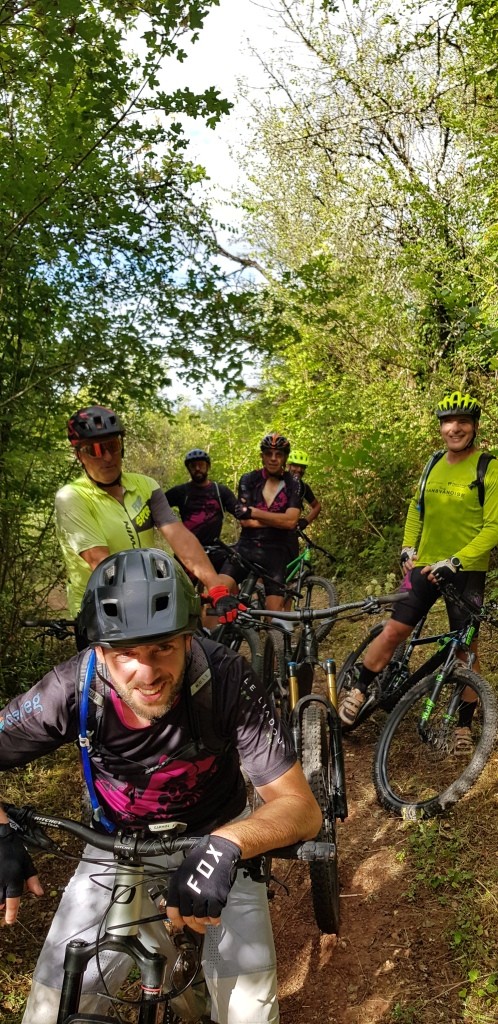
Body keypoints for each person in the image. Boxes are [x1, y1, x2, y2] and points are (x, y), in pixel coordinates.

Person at [0, 548, 321, 1024]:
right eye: (125, 654)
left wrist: (228, 844)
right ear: (98, 651)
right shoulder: (71, 688)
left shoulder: (225, 676)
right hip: (116, 844)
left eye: (162, 648)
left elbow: (301, 807)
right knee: (49, 1009)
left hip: (216, 835)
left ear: (190, 639)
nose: (146, 674)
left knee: (248, 1013)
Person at [339, 390, 498, 751]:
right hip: (424, 565)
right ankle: (359, 690)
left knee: (466, 652)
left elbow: (493, 527)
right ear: (440, 427)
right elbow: (417, 507)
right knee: (394, 630)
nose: (454, 428)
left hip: (465, 571)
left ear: (474, 426)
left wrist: (456, 561)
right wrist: (408, 546)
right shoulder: (433, 462)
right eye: (448, 422)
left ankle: (462, 726)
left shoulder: (488, 467)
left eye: (462, 422)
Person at [54, 406, 240, 632]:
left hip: (148, 605)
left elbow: (179, 536)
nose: (107, 457)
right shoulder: (71, 497)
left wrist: (215, 586)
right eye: (94, 450)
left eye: (113, 446)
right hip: (101, 610)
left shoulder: (145, 486)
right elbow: (101, 563)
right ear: (79, 455)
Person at [219, 433, 302, 613]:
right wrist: (279, 519)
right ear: (262, 456)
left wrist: (254, 512)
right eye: (268, 453)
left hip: (277, 553)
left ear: (285, 458)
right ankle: (208, 632)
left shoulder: (294, 483)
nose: (273, 458)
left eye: (278, 454)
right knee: (217, 595)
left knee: (276, 618)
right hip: (246, 547)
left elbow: (291, 522)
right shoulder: (249, 479)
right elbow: (246, 522)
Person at [165, 449, 243, 573]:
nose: (197, 468)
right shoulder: (181, 492)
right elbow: (157, 507)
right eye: (193, 466)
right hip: (187, 551)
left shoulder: (220, 491)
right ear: (188, 469)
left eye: (201, 465)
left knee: (230, 576)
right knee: (182, 583)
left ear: (208, 466)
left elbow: (241, 515)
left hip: (214, 551)